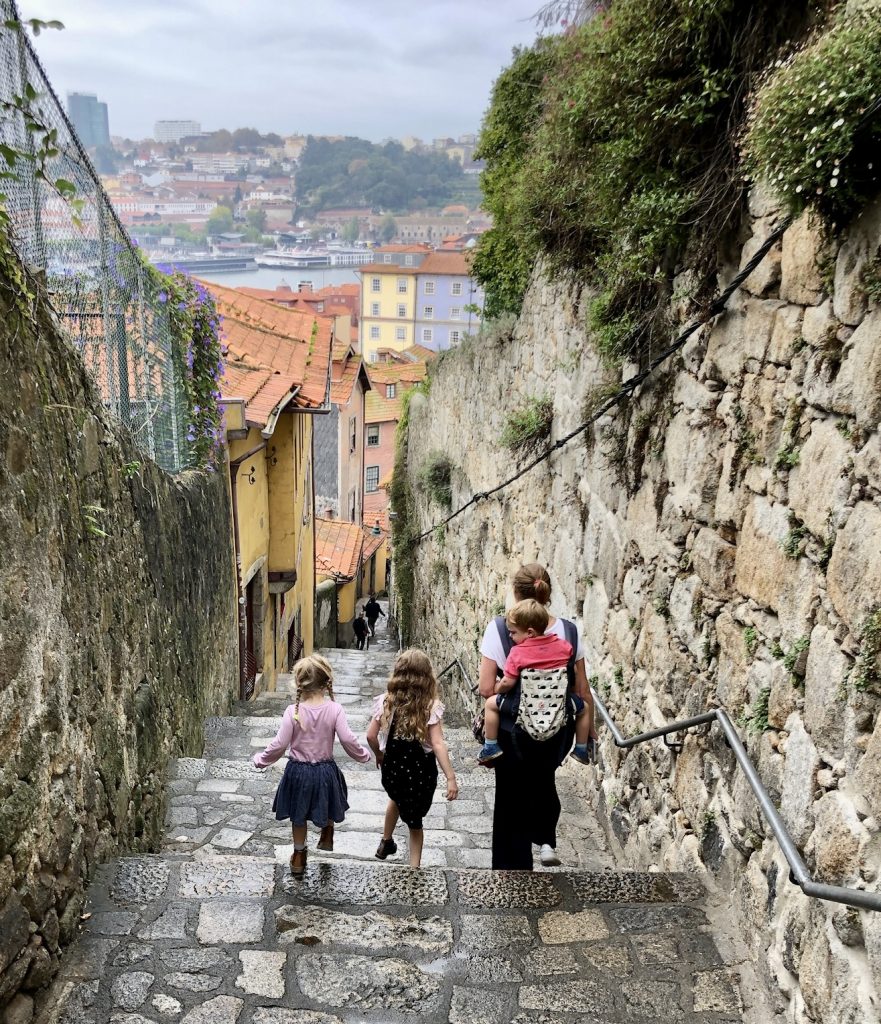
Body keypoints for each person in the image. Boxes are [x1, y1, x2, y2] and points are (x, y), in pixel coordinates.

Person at [478, 563, 596, 870]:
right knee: (544, 781)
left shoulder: (501, 628)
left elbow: (487, 687)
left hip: (511, 732)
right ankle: (545, 840)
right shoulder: (569, 631)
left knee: (509, 799)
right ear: (546, 593)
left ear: (516, 594)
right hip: (556, 731)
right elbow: (582, 689)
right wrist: (588, 732)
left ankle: (512, 874)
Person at [252, 654, 371, 876]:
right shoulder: (335, 709)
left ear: (299, 683)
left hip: (297, 772)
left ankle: (298, 854)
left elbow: (279, 744)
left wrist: (261, 760)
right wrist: (363, 755)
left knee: (298, 814)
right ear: (327, 682)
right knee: (327, 800)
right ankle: (327, 828)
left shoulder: (293, 711)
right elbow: (347, 739)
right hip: (325, 770)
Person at [366, 648, 459, 866]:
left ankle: (386, 841)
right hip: (420, 774)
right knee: (415, 823)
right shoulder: (429, 707)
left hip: (393, 770)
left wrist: (379, 754)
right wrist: (451, 778)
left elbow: (370, 735)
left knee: (396, 799)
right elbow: (437, 743)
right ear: (426, 677)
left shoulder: (386, 702)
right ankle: (414, 868)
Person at [478, 598, 593, 766]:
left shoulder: (517, 653)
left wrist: (497, 686)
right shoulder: (564, 646)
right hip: (558, 705)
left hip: (524, 705)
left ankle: (490, 746)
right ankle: (581, 749)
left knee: (490, 705)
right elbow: (572, 671)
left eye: (513, 632)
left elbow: (507, 683)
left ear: (530, 632)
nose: (510, 635)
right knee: (585, 709)